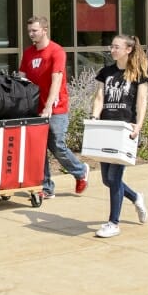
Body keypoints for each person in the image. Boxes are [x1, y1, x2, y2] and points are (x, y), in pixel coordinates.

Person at [18, 15, 89, 199]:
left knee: (56, 145)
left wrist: (48, 106)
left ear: (44, 30)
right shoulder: (28, 53)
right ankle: (46, 188)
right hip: (34, 108)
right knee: (39, 148)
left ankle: (80, 171)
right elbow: (22, 78)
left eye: (34, 30)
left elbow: (56, 80)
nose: (31, 34)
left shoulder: (56, 51)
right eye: (29, 31)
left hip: (56, 108)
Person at [90, 34, 148, 238]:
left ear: (128, 50)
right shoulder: (105, 72)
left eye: (117, 47)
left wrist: (138, 126)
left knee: (115, 177)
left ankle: (113, 223)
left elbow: (142, 102)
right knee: (107, 180)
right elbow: (99, 97)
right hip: (106, 128)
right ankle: (135, 197)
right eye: (112, 46)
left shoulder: (138, 74)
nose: (112, 49)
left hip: (125, 131)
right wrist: (94, 116)